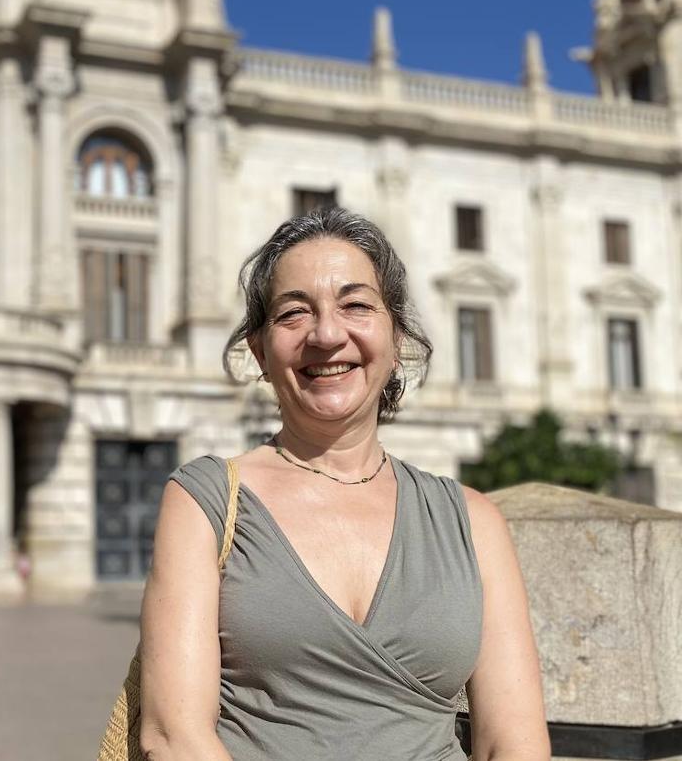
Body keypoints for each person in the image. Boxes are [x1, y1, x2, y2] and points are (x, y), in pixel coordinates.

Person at [138, 208, 550, 760]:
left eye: (356, 305)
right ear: (259, 350)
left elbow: (515, 744)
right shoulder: (204, 501)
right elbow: (173, 738)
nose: (327, 334)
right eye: (293, 313)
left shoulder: (473, 520)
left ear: (396, 333)